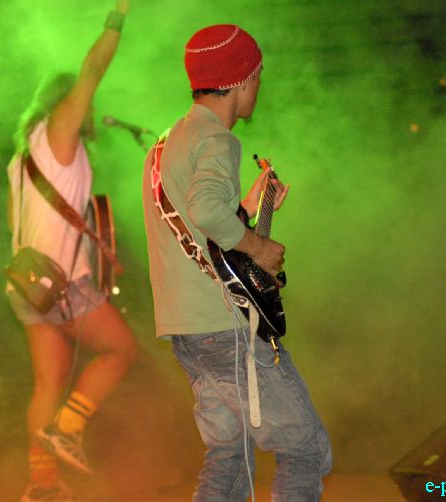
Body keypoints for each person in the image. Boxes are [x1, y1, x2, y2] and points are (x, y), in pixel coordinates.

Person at [141, 24, 332, 501]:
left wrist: (247, 209)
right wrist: (260, 248)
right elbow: (207, 211)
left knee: (231, 456)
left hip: (186, 331)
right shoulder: (218, 139)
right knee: (305, 449)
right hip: (225, 329)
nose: (260, 86)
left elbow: (197, 226)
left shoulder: (165, 144)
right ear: (243, 80)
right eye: (259, 76)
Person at [5, 2, 137, 501]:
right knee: (120, 350)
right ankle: (67, 429)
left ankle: (42, 486)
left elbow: (14, 227)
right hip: (62, 286)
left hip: (27, 286)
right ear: (64, 104)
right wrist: (117, 16)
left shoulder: (22, 158)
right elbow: (93, 69)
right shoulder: (59, 135)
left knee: (48, 385)